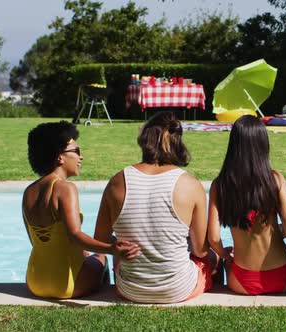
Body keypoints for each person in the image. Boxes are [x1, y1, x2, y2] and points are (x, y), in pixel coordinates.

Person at [94, 111, 219, 303]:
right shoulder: (190, 184)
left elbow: (100, 240)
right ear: (178, 142)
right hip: (178, 289)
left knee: (118, 251)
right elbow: (200, 251)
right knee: (211, 258)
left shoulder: (117, 181)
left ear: (144, 139)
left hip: (129, 289)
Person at [23, 121, 139, 299]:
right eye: (76, 151)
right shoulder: (65, 188)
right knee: (101, 257)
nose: (81, 157)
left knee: (87, 255)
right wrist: (112, 248)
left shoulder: (29, 192)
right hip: (65, 283)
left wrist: (79, 252)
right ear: (59, 157)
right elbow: (75, 235)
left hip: (35, 281)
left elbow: (38, 242)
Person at [207, 115, 286, 295]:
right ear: (263, 145)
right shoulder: (275, 180)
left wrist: (226, 256)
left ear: (233, 146)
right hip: (284, 277)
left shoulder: (220, 185)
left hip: (242, 281)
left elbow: (214, 238)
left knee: (224, 263)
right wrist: (275, 228)